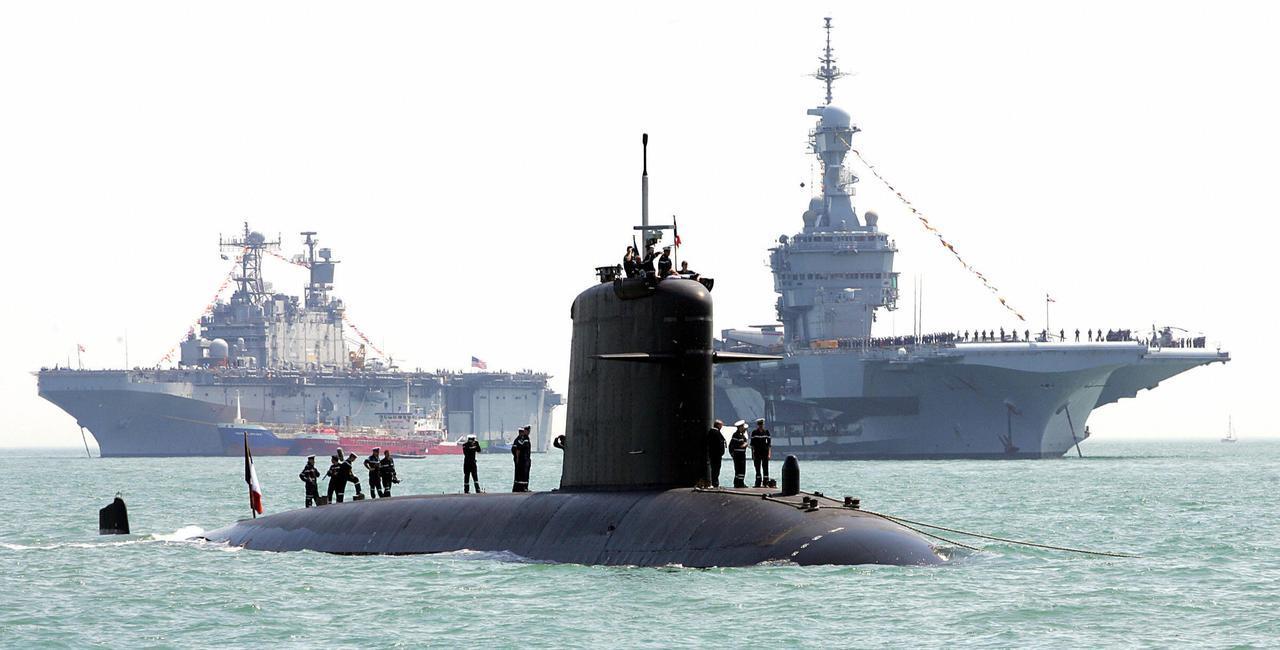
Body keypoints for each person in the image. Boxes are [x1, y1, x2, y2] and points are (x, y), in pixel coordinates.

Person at [750, 418, 772, 488]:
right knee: (757, 468)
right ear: (758, 425)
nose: (761, 426)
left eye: (762, 424)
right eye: (759, 424)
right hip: (757, 453)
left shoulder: (766, 432)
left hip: (765, 453)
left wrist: (769, 454)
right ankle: (758, 483)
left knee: (765, 468)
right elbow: (752, 445)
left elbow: (769, 445)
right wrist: (752, 455)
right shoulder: (754, 433)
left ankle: (765, 482)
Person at [728, 420, 749, 488]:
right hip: (738, 455)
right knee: (738, 469)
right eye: (742, 426)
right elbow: (731, 445)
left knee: (742, 470)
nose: (744, 428)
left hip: (742, 455)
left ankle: (740, 482)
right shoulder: (736, 435)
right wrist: (732, 454)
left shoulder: (742, 436)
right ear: (740, 427)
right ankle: (738, 483)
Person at [705, 420, 726, 487]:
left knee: (715, 469)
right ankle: (715, 483)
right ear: (718, 425)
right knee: (715, 469)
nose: (722, 427)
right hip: (716, 455)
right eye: (721, 425)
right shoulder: (715, 433)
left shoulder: (714, 432)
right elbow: (718, 444)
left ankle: (715, 483)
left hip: (715, 455)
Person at [511, 425, 532, 492]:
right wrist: (517, 459)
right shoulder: (521, 439)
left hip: (526, 459)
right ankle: (521, 488)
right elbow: (517, 450)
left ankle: (522, 487)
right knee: (522, 474)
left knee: (524, 474)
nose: (528, 432)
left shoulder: (525, 438)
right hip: (523, 460)